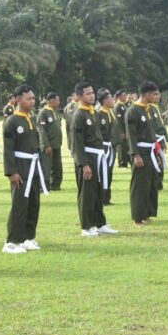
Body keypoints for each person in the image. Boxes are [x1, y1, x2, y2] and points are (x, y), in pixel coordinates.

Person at [2, 85, 45, 254]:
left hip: (34, 166)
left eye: (33, 98)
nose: (32, 101)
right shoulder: (12, 121)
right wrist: (12, 171)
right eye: (29, 98)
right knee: (19, 204)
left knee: (33, 203)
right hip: (20, 166)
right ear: (18, 99)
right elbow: (8, 148)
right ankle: (12, 241)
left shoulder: (31, 117)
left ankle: (28, 237)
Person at [71, 83, 119, 237]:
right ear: (79, 96)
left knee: (98, 191)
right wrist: (84, 164)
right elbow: (77, 143)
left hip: (98, 157)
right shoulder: (79, 115)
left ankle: (100, 223)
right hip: (87, 157)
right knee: (87, 193)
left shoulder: (93, 112)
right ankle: (86, 226)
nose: (91, 96)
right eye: (87, 94)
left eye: (92, 93)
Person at [126, 82, 160, 226]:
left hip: (150, 150)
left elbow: (152, 132)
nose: (156, 96)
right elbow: (131, 135)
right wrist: (136, 155)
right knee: (139, 185)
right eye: (154, 94)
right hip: (140, 151)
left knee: (150, 184)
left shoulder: (149, 109)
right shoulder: (133, 110)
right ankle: (137, 217)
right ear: (146, 94)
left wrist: (157, 151)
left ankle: (146, 213)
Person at [37, 92, 63, 192]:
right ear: (51, 100)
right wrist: (46, 145)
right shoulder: (43, 112)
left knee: (57, 166)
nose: (59, 102)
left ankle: (55, 185)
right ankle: (43, 187)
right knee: (46, 167)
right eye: (57, 100)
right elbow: (42, 130)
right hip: (49, 145)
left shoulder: (55, 111)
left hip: (57, 144)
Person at [96, 89, 118, 205]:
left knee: (109, 172)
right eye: (110, 98)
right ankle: (101, 197)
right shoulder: (99, 114)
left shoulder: (110, 112)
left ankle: (106, 198)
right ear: (104, 100)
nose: (113, 100)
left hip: (111, 147)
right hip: (103, 148)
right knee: (102, 172)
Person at [114, 90, 130, 168]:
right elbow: (118, 120)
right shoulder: (118, 106)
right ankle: (122, 163)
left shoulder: (123, 105)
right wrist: (121, 131)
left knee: (126, 146)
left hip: (125, 129)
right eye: (123, 95)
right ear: (119, 97)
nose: (125, 96)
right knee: (121, 147)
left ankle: (126, 161)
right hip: (121, 130)